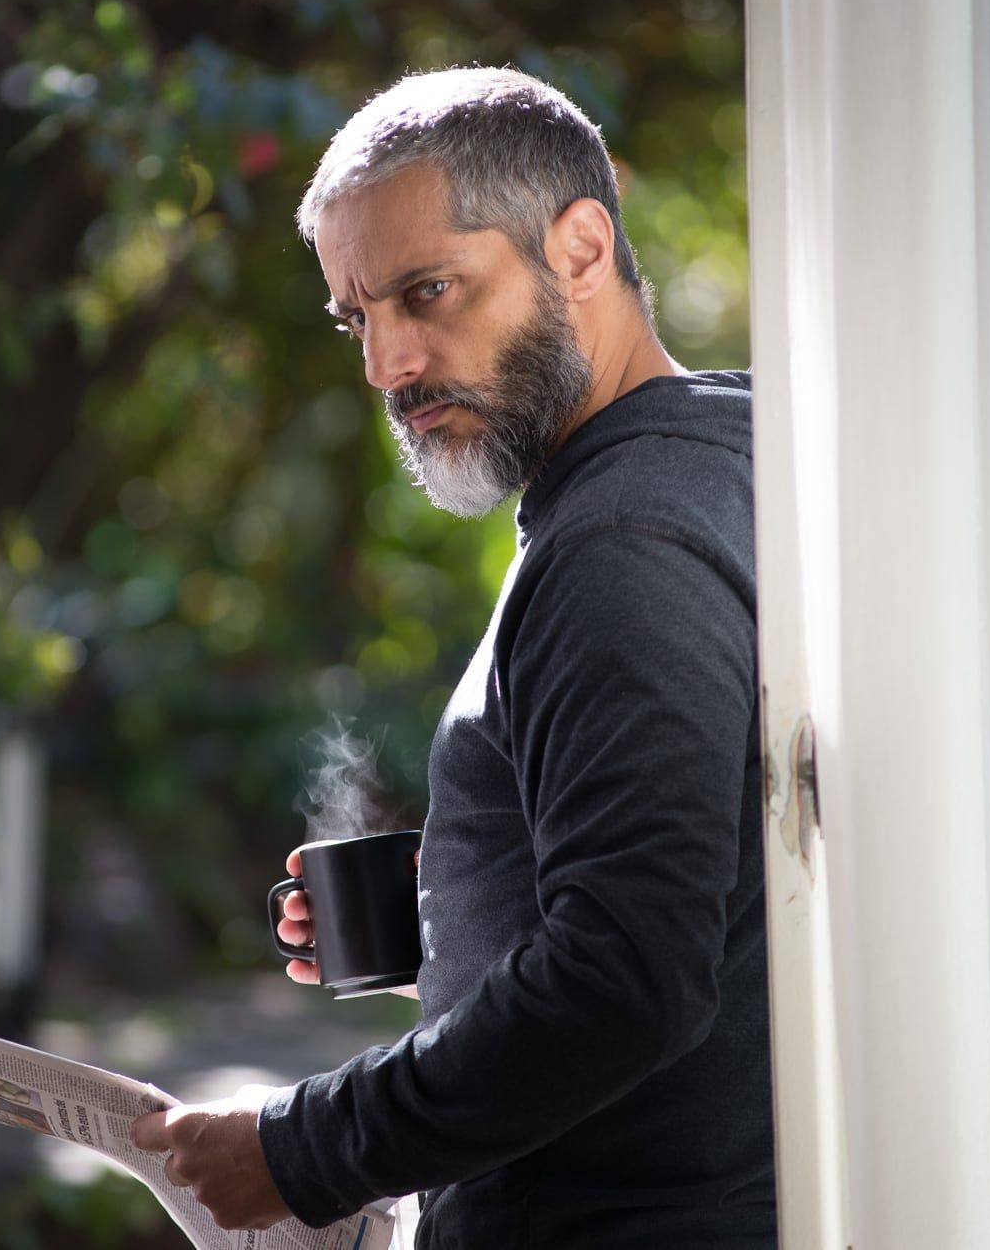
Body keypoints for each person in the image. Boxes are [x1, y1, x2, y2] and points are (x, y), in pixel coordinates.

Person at [131, 66, 775, 1249]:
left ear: (580, 246)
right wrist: (471, 889)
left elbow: (628, 982)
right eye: (357, 317)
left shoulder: (620, 545)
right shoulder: (734, 459)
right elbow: (725, 866)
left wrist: (297, 1150)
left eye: (428, 292)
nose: (386, 364)